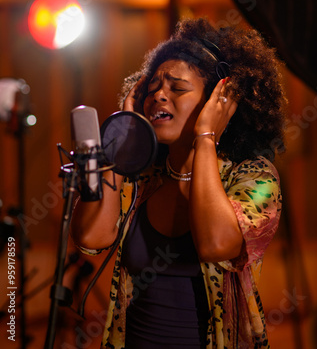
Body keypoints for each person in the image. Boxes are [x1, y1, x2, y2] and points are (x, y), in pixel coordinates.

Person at [71, 17, 287, 349]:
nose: (159, 95)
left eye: (177, 87)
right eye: (152, 87)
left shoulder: (253, 176)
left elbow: (216, 245)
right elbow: (90, 238)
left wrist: (205, 137)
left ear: (219, 101)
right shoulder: (142, 174)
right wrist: (122, 141)